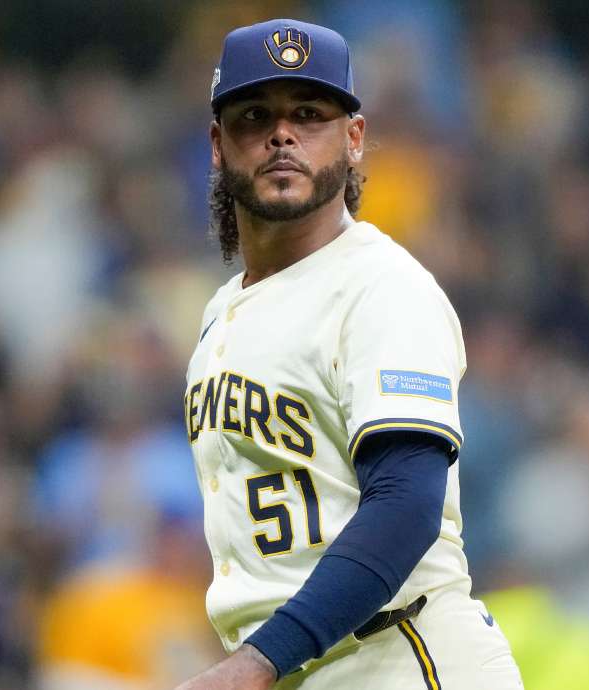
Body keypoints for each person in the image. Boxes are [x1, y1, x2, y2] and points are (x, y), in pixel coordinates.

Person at [173, 18, 523, 690]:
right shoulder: (222, 311)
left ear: (355, 138)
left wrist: (254, 662)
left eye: (310, 114)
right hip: (309, 667)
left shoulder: (381, 287)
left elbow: (404, 506)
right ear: (218, 145)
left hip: (404, 659)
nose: (283, 134)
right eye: (256, 116)